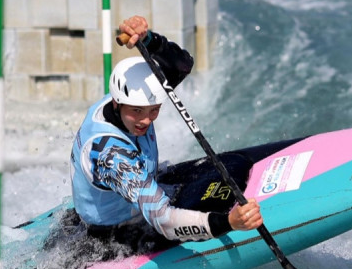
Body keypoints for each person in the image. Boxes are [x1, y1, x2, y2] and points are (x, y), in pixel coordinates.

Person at [69, 15, 263, 243]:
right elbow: (165, 221)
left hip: (147, 188)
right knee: (220, 195)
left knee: (234, 165)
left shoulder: (124, 102)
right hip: (114, 233)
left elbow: (182, 65)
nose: (146, 120)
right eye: (137, 111)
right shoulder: (112, 158)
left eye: (153, 110)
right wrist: (229, 223)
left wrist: (149, 40)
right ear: (116, 103)